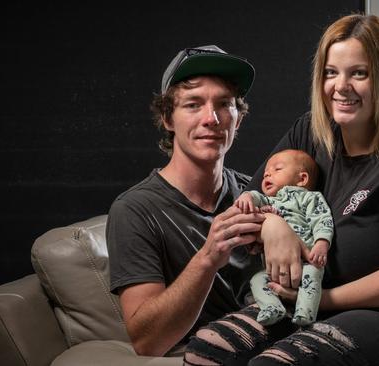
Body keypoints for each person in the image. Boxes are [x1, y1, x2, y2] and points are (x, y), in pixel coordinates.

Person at [184, 14, 379, 366]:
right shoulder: (312, 135)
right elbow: (249, 207)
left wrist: (324, 299)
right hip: (311, 307)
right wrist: (273, 225)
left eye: (358, 73)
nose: (341, 86)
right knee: (207, 350)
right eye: (331, 72)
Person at [106, 44, 266, 357]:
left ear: (239, 119)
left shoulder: (256, 190)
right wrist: (208, 258)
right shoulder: (135, 210)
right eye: (193, 105)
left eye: (224, 104)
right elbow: (148, 342)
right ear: (168, 118)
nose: (212, 119)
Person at [235, 149, 333, 326]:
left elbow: (322, 220)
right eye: (265, 173)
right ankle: (272, 307)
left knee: (312, 276)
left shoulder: (309, 198)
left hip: (306, 260)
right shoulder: (270, 202)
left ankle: (306, 312)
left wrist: (321, 243)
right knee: (257, 280)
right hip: (274, 270)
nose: (267, 174)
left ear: (302, 179)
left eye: (277, 169)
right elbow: (256, 198)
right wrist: (246, 195)